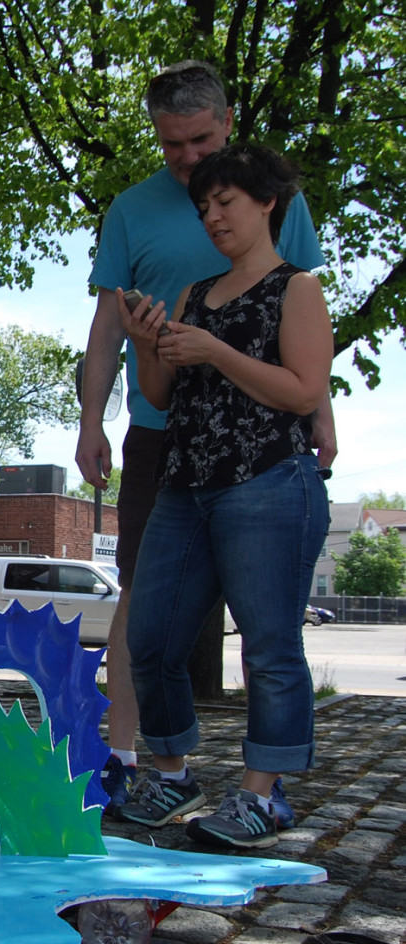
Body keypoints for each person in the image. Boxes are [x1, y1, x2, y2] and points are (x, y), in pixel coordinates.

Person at [74, 60, 335, 824]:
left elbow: (303, 361)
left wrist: (318, 415)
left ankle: (263, 792)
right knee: (147, 619)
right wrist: (109, 400)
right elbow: (125, 354)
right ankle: (147, 763)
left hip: (265, 461)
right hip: (176, 456)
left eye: (200, 144)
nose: (206, 206)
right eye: (170, 148)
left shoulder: (283, 241)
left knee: (268, 637)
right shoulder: (142, 228)